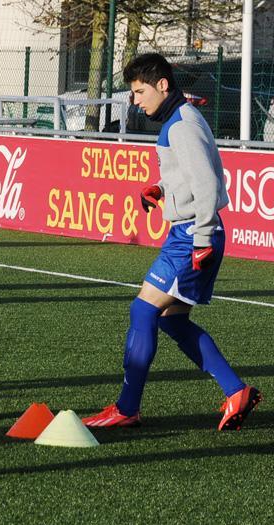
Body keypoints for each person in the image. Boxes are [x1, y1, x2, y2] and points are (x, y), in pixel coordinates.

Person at [83, 53, 262, 431]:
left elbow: (208, 183)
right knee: (172, 320)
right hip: (191, 231)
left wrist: (202, 239)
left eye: (139, 91)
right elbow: (193, 173)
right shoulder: (181, 119)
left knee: (143, 311)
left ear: (162, 85)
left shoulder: (181, 125)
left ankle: (126, 408)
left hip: (192, 234)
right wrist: (162, 188)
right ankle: (236, 391)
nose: (136, 100)